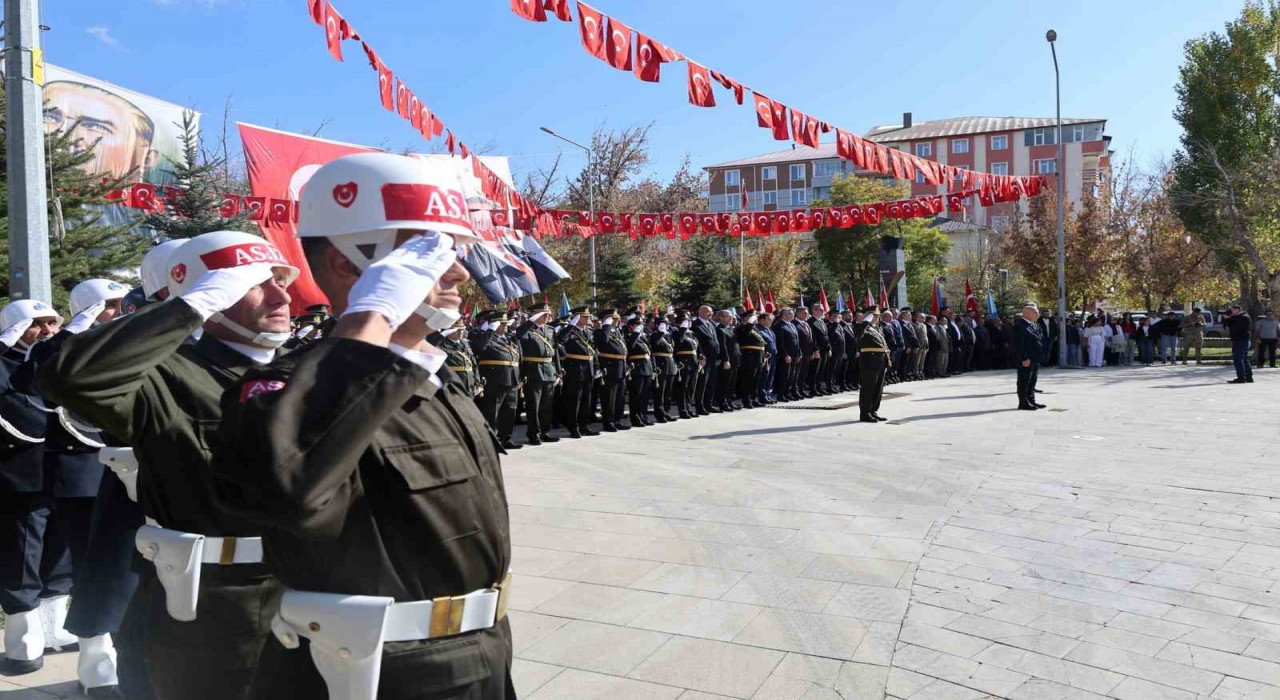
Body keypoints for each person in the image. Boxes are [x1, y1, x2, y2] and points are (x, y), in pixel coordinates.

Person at [212, 152, 515, 699]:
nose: (458, 272)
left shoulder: (430, 374)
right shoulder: (285, 389)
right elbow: (289, 489)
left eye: (454, 252)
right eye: (429, 254)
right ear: (352, 267)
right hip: (377, 672)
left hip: (482, 651)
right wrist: (369, 319)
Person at [40, 230, 298, 700]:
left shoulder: (308, 368)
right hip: (212, 602)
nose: (282, 296)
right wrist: (190, 306)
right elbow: (70, 376)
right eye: (257, 284)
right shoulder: (167, 375)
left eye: (282, 280)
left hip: (308, 588)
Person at [0, 300, 69, 676]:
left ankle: (54, 628)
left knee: (61, 552)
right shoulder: (5, 362)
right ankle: (23, 641)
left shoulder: (54, 359)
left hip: (64, 469)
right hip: (20, 475)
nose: (46, 331)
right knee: (24, 552)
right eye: (35, 324)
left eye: (51, 323)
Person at [472, 311, 523, 449]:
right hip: (495, 380)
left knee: (509, 411)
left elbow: (519, 358)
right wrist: (490, 330)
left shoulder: (510, 339)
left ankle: (506, 438)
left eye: (506, 323)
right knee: (492, 412)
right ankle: (491, 440)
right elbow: (478, 348)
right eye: (502, 323)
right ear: (494, 324)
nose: (505, 326)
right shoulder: (485, 337)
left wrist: (521, 376)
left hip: (512, 379)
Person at [516, 303, 561, 446]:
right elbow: (518, 335)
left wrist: (558, 370)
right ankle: (533, 434)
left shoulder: (550, 330)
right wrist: (531, 321)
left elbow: (555, 352)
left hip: (549, 370)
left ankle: (545, 432)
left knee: (546, 405)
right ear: (536, 314)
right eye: (545, 314)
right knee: (533, 405)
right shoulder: (527, 330)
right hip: (533, 370)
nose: (549, 316)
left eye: (549, 314)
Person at [557, 307, 599, 437]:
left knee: (587, 400)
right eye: (585, 317)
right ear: (577, 318)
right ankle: (573, 427)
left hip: (589, 368)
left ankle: (584, 425)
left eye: (588, 317)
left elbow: (593, 350)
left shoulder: (589, 332)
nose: (588, 319)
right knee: (575, 400)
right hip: (575, 369)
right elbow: (561, 340)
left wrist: (597, 366)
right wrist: (571, 325)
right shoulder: (569, 331)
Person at [594, 309, 629, 432]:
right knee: (609, 397)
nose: (617, 320)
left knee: (620, 396)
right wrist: (607, 325)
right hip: (610, 368)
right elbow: (603, 343)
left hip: (621, 367)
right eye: (613, 319)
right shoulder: (600, 332)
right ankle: (608, 422)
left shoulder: (617, 332)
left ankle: (617, 420)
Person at [856, 309, 890, 423]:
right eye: (873, 315)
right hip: (869, 361)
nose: (876, 318)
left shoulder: (877, 328)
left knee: (878, 388)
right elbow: (858, 334)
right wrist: (866, 321)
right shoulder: (862, 327)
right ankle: (865, 413)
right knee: (868, 388)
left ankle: (873, 411)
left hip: (880, 360)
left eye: (877, 316)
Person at [431, 319, 478, 398]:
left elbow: (473, 363)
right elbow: (431, 346)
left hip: (469, 383)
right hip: (453, 382)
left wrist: (477, 381)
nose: (460, 332)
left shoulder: (465, 343)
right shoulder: (441, 344)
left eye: (462, 329)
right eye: (457, 330)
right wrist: (442, 335)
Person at [1013, 304, 1046, 410]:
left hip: (1035, 358)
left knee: (1032, 380)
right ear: (1028, 314)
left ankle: (1031, 400)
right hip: (1026, 359)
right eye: (1036, 313)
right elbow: (1018, 344)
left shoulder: (1033, 324)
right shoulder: (1020, 325)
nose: (1038, 315)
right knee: (1024, 380)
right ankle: (1023, 402)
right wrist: (1024, 358)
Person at [624, 315, 654, 427]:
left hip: (647, 368)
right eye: (636, 324)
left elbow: (650, 352)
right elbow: (630, 346)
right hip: (636, 368)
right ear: (630, 326)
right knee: (636, 396)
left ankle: (643, 416)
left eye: (640, 324)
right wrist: (636, 333)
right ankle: (635, 418)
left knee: (645, 396)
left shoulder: (642, 338)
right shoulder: (628, 337)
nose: (639, 326)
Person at [649, 315, 678, 421]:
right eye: (663, 324)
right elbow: (654, 344)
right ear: (658, 325)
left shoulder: (668, 335)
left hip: (670, 364)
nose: (666, 326)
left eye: (666, 324)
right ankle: (659, 413)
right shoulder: (654, 335)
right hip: (660, 364)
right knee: (660, 391)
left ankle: (666, 411)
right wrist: (660, 333)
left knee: (668, 392)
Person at [672, 312, 701, 418]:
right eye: (685, 321)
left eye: (688, 321)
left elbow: (696, 346)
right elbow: (678, 343)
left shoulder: (691, 333)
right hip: (683, 362)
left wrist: (700, 356)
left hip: (693, 362)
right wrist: (682, 330)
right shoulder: (676, 333)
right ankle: (683, 410)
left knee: (691, 387)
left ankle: (688, 408)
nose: (688, 323)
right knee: (683, 387)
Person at [735, 311, 766, 408]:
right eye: (752, 317)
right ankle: (746, 400)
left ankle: (753, 399)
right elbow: (744, 336)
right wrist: (750, 322)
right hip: (749, 356)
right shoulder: (740, 328)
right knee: (748, 379)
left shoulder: (754, 328)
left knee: (755, 380)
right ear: (745, 318)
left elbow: (761, 342)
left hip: (758, 356)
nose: (755, 319)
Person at [692, 305, 719, 414]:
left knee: (711, 383)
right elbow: (697, 342)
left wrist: (718, 356)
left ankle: (709, 404)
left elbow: (715, 341)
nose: (711, 314)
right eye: (709, 312)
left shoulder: (711, 324)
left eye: (711, 312)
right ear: (701, 312)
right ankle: (700, 406)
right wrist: (700, 356)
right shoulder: (696, 325)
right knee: (702, 384)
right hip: (704, 359)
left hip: (713, 358)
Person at [715, 309, 740, 411]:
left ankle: (729, 401)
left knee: (731, 383)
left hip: (735, 359)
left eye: (731, 316)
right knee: (724, 382)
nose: (731, 318)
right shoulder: (720, 329)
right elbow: (723, 346)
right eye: (728, 316)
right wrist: (726, 360)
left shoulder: (729, 328)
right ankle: (722, 402)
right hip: (727, 360)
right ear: (720, 318)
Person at [773, 308, 800, 402]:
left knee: (792, 375)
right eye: (790, 313)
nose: (792, 315)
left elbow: (796, 340)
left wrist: (798, 353)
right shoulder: (779, 326)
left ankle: (787, 393)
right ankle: (781, 394)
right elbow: (780, 343)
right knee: (784, 375)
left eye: (793, 313)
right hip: (786, 356)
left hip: (794, 354)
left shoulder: (792, 325)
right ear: (783, 315)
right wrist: (785, 354)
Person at [1223, 305, 1254, 384]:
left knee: (1238, 359)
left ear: (1237, 310)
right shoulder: (1237, 317)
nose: (1231, 312)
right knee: (1244, 359)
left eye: (1232, 310)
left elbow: (1237, 326)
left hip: (1241, 340)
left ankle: (1241, 378)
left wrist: (1229, 318)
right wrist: (1227, 319)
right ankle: (1248, 377)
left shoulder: (1244, 317)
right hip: (1240, 340)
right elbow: (1229, 325)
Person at [807, 305, 830, 395]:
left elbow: (826, 336)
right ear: (814, 310)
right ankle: (813, 389)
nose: (823, 311)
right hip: (818, 350)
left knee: (821, 370)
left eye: (822, 310)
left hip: (825, 350)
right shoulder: (810, 322)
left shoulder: (822, 321)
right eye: (821, 310)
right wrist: (815, 350)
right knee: (815, 371)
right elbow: (813, 338)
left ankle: (818, 387)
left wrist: (829, 347)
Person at [756, 312, 778, 404]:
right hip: (765, 358)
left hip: (772, 357)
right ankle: (762, 395)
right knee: (764, 377)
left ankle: (767, 394)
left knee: (770, 377)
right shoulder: (758, 330)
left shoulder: (770, 330)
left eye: (772, 319)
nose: (771, 321)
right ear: (761, 320)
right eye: (769, 319)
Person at [794, 307, 815, 398]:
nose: (806, 315)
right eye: (804, 313)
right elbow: (796, 341)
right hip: (799, 353)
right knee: (797, 374)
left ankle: (801, 389)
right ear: (798, 313)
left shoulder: (806, 324)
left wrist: (812, 351)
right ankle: (795, 391)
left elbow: (810, 339)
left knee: (804, 373)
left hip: (807, 353)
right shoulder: (794, 324)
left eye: (806, 313)